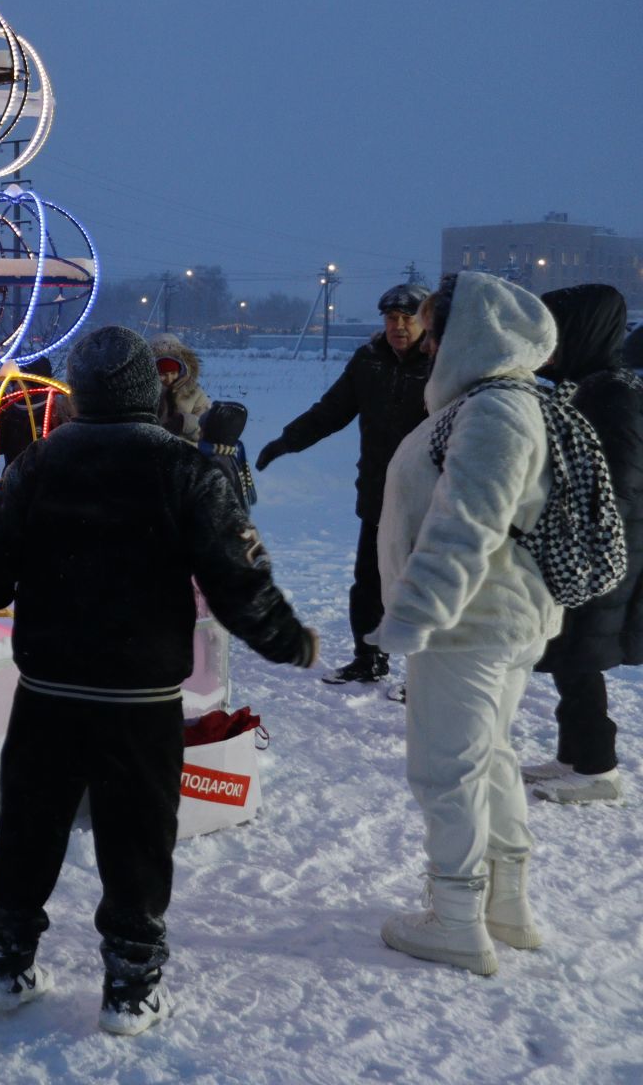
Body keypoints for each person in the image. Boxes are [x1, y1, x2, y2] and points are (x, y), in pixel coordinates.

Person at [0, 326, 316, 1035]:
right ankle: (130, 987)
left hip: (49, 688)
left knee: (29, 825)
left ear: (82, 391)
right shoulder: (184, 467)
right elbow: (236, 575)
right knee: (138, 835)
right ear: (146, 390)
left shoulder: (39, 462)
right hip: (140, 697)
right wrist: (288, 640)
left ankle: (6, 965)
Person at [369, 272, 563, 976]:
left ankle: (456, 920)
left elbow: (467, 524)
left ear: (468, 331)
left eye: (435, 325)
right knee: (489, 757)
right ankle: (506, 907)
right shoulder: (492, 403)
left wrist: (413, 617)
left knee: (446, 771)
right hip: (493, 619)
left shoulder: (495, 410)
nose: (426, 340)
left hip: (468, 624)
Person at [255, 283, 432, 685]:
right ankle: (368, 658)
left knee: (424, 585)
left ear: (425, 321)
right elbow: (332, 410)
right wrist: (287, 441)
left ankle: (424, 676)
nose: (398, 327)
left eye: (408, 318)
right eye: (391, 319)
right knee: (368, 583)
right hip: (378, 492)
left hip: (429, 497)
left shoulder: (440, 363)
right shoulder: (368, 360)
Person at [521, 284, 641, 804]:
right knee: (570, 652)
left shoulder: (611, 394)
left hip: (606, 550)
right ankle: (575, 754)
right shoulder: (587, 386)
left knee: (580, 653)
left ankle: (598, 769)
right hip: (594, 544)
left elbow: (613, 479)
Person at [149, 334, 211, 444]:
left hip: (186, 454)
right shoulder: (145, 393)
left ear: (182, 370)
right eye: (163, 374)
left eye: (173, 373)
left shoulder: (195, 393)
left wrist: (185, 423)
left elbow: (207, 432)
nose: (169, 378)